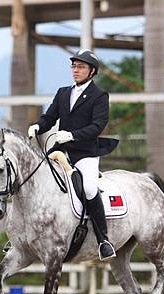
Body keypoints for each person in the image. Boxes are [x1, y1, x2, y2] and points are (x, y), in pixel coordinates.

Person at [27, 49, 119, 261]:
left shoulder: (99, 96)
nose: (76, 70)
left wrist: (72, 135)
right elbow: (49, 117)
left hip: (85, 152)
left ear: (92, 71)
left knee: (88, 187)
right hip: (61, 151)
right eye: (74, 66)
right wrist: (37, 126)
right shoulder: (63, 93)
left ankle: (104, 240)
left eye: (81, 67)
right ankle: (22, 234)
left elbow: (98, 125)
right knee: (35, 179)